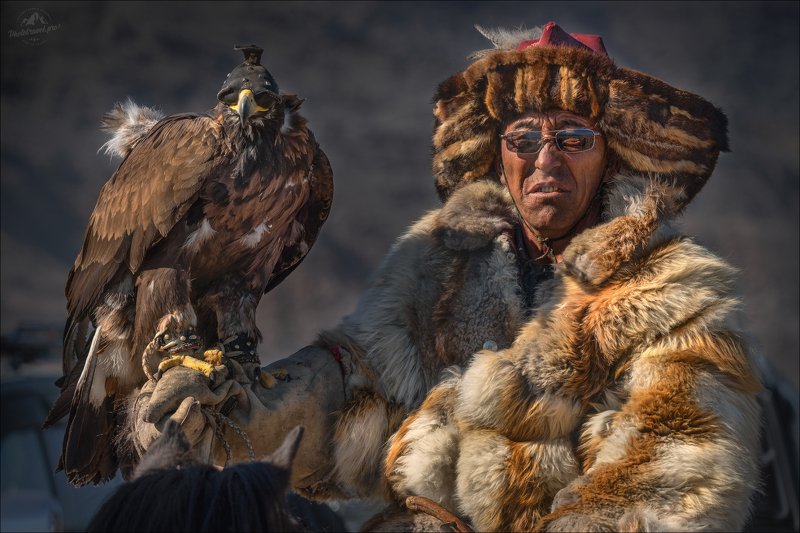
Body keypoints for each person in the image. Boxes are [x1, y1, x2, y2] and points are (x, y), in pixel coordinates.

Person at [126, 22, 763, 531]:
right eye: (521, 138)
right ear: (498, 154)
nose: (545, 160)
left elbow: (671, 488)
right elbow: (355, 385)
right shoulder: (437, 261)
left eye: (572, 138)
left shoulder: (674, 295)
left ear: (611, 153)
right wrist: (242, 408)